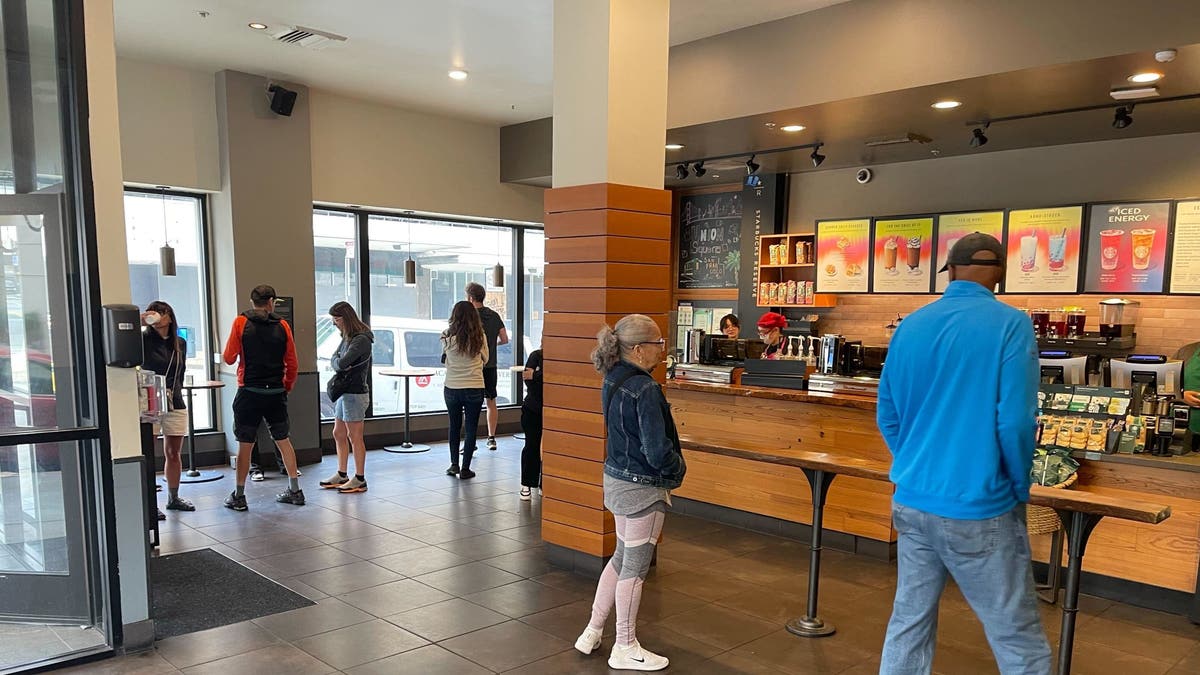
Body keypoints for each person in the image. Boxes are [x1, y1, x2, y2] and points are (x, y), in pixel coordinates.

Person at [876, 233, 1050, 674]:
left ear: (949, 271)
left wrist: (915, 464)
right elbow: (1015, 422)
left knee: (908, 623)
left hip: (912, 500)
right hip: (980, 505)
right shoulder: (1011, 324)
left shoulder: (911, 325)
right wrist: (1016, 484)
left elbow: (888, 415)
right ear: (1000, 276)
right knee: (1017, 637)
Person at [576, 314, 685, 672]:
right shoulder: (646, 388)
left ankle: (592, 630)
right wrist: (677, 470)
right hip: (643, 489)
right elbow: (657, 451)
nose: (662, 351)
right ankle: (625, 645)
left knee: (621, 558)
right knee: (634, 570)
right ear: (639, 349)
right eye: (658, 344)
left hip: (616, 480)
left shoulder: (613, 377)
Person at [222, 285, 305, 510]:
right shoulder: (283, 325)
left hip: (249, 391)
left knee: (245, 444)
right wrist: (285, 386)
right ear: (271, 302)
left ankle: (239, 495)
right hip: (276, 392)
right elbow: (293, 363)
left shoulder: (241, 323)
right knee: (283, 440)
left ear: (253, 302)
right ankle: (295, 490)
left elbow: (228, 358)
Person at [141, 301, 194, 520]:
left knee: (174, 452)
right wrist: (141, 320)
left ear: (169, 317)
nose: (157, 317)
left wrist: (176, 393)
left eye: (161, 313)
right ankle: (149, 503)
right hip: (150, 400)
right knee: (147, 451)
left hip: (175, 400)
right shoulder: (143, 340)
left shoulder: (180, 343)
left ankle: (173, 497)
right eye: (154, 312)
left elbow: (180, 372)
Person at [319, 302, 373, 494]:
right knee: (338, 433)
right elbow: (335, 359)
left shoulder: (361, 340)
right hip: (345, 393)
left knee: (354, 436)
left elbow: (341, 362)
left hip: (355, 393)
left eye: (336, 319)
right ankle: (342, 473)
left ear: (345, 318)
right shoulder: (348, 337)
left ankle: (359, 478)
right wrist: (338, 362)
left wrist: (338, 362)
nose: (334, 323)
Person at [442, 300, 488, 480]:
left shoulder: (446, 335)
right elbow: (486, 358)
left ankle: (454, 465)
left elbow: (446, 360)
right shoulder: (479, 336)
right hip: (474, 385)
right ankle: (466, 468)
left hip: (452, 386)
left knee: (454, 426)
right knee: (471, 428)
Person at [466, 282, 508, 450]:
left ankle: (471, 441)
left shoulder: (468, 317)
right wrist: (490, 346)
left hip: (473, 366)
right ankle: (491, 438)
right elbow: (505, 339)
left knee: (471, 404)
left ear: (470, 298)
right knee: (491, 401)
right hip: (490, 365)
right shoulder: (494, 315)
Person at [519, 348, 543, 500]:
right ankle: (527, 483)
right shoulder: (535, 355)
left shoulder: (559, 358)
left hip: (552, 411)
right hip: (532, 409)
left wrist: (536, 375)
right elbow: (527, 378)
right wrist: (538, 378)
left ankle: (544, 483)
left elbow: (557, 378)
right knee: (531, 445)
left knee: (549, 449)